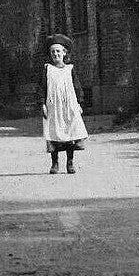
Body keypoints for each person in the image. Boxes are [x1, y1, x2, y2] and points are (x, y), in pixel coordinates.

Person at [39, 33, 88, 174]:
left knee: (69, 133)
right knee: (54, 134)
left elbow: (77, 87)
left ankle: (70, 162)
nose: (56, 54)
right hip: (53, 106)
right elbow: (41, 87)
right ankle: (54, 163)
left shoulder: (70, 69)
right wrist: (42, 103)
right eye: (53, 51)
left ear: (64, 53)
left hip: (68, 106)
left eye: (58, 51)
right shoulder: (47, 69)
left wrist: (79, 103)